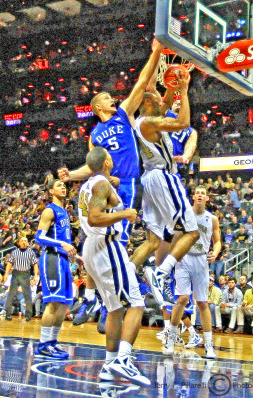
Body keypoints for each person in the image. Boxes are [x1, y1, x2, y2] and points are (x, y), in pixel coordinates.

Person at [58, 39, 164, 246]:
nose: (111, 99)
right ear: (98, 107)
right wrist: (70, 175)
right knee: (104, 234)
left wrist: (157, 52)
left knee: (121, 233)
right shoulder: (95, 135)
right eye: (106, 98)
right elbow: (92, 167)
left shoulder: (123, 115)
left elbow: (142, 82)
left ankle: (118, 271)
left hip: (130, 181)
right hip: (109, 185)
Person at [78, 147, 149, 387]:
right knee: (137, 303)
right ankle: (123, 360)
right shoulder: (101, 185)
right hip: (106, 246)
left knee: (115, 308)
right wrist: (126, 213)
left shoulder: (91, 184)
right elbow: (95, 218)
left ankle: (109, 365)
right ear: (107, 161)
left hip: (92, 247)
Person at [132, 76, 200, 304]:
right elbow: (183, 123)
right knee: (192, 232)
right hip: (164, 176)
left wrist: (173, 88)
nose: (164, 101)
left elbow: (167, 104)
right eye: (159, 99)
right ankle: (161, 274)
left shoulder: (142, 120)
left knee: (154, 240)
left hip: (150, 179)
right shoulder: (149, 122)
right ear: (150, 103)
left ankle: (129, 274)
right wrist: (185, 91)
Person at [164, 186, 221, 358]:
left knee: (203, 303)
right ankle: (170, 339)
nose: (200, 195)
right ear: (193, 197)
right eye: (197, 193)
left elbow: (217, 241)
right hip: (184, 258)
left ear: (206, 199)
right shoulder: (184, 215)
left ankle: (209, 346)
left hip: (202, 259)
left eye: (203, 193)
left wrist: (216, 252)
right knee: (181, 299)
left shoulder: (212, 219)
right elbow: (174, 237)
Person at [34, 179, 78, 359]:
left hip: (63, 260)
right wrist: (62, 244)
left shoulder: (65, 213)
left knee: (63, 304)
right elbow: (39, 237)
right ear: (51, 190)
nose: (63, 187)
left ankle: (52, 343)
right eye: (59, 185)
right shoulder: (50, 210)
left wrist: (73, 251)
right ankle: (43, 345)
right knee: (53, 304)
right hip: (51, 258)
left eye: (64, 185)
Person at [3, 236, 38, 321]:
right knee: (11, 294)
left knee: (27, 295)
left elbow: (35, 264)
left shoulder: (31, 252)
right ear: (18, 243)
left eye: (25, 241)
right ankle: (8, 314)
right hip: (16, 273)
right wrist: (6, 274)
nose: (24, 242)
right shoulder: (15, 252)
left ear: (28, 243)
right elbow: (9, 263)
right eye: (22, 241)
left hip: (26, 274)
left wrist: (36, 275)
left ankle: (28, 316)